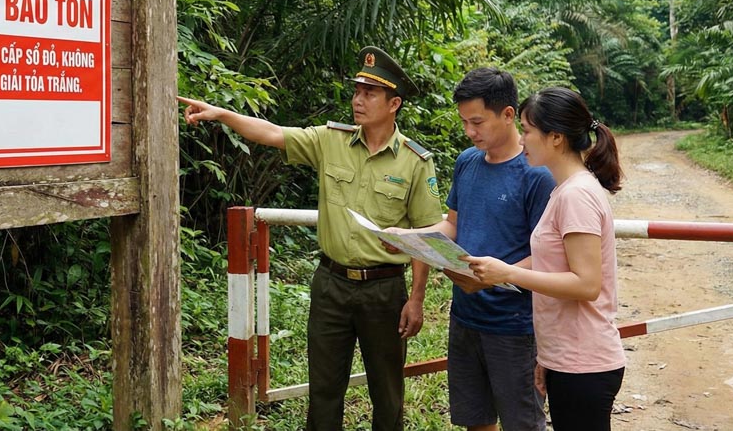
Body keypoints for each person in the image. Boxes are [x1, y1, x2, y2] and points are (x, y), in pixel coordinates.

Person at [178, 46, 442, 431]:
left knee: (387, 392)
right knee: (324, 388)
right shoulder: (330, 140)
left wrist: (416, 297)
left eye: (369, 93)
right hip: (331, 286)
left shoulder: (414, 162)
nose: (357, 100)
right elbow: (271, 133)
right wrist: (223, 115)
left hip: (384, 292)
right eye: (356, 91)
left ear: (394, 103)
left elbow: (424, 235)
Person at [383, 67, 554, 431]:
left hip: (514, 324)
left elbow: (550, 255)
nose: (469, 132)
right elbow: (454, 225)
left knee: (522, 422)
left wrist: (494, 278)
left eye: (477, 122)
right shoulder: (467, 162)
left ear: (508, 115)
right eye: (464, 122)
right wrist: (410, 237)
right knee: (474, 419)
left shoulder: (536, 174)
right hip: (465, 317)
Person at [462, 87, 626, 431]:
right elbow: (552, 263)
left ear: (555, 138)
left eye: (527, 130)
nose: (521, 141)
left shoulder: (577, 195)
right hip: (568, 358)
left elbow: (586, 284)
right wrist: (548, 357)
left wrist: (508, 272)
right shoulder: (564, 190)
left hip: (585, 362)